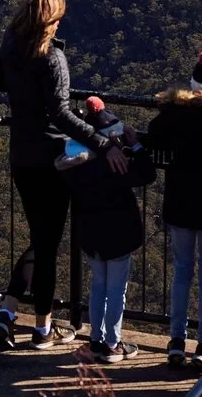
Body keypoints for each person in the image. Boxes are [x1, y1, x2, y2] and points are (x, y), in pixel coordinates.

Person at [0, 0, 117, 348]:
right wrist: (102, 142)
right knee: (47, 244)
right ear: (51, 20)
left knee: (41, 238)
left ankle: (7, 312)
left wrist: (12, 69)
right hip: (53, 159)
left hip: (22, 157)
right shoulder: (51, 58)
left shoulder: (13, 50)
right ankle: (42, 328)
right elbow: (61, 113)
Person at [143, 49, 202, 372]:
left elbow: (154, 134)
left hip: (181, 202)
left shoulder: (176, 115)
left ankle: (175, 342)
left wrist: (169, 106)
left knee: (182, 272)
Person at [61, 97, 155, 360]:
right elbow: (148, 174)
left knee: (98, 286)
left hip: (91, 234)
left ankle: (95, 340)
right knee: (116, 290)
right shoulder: (118, 163)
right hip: (119, 234)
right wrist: (134, 144)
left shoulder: (75, 164)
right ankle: (113, 344)